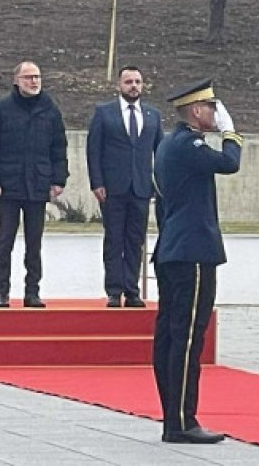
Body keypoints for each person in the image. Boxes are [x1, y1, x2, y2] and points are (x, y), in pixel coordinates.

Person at [152, 78, 242, 443]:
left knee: (170, 337)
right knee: (188, 337)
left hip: (173, 249)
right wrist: (230, 133)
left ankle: (172, 417)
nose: (214, 113)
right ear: (195, 111)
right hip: (192, 254)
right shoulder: (189, 145)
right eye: (210, 107)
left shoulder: (167, 146)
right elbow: (229, 163)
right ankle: (181, 421)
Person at [0, 61, 68, 309]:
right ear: (16, 80)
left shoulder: (49, 109)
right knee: (5, 241)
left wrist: (58, 179)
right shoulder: (0, 109)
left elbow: (58, 147)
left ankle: (32, 292)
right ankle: (2, 293)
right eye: (28, 77)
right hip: (8, 186)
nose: (34, 81)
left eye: (37, 77)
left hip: (38, 186)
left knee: (34, 243)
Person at [87, 65, 163, 308]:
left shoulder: (152, 116)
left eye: (138, 82)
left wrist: (158, 184)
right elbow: (93, 151)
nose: (133, 86)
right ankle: (113, 290)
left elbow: (160, 153)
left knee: (135, 240)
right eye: (129, 81)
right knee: (114, 239)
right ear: (119, 85)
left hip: (140, 188)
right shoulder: (104, 113)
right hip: (112, 188)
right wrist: (97, 182)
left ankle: (132, 290)